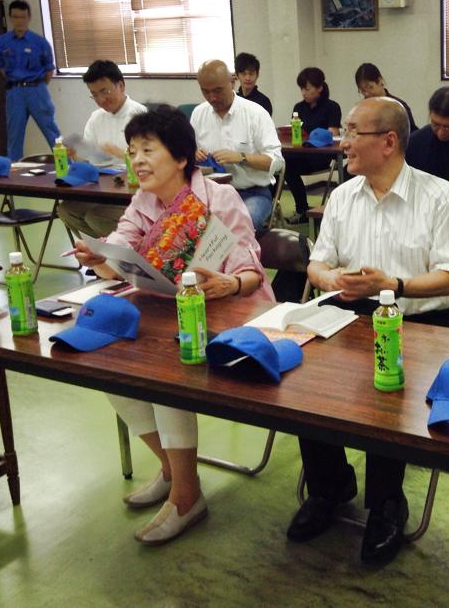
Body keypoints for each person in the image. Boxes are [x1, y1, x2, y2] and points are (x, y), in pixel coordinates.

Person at [287, 96, 449, 565]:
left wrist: (392, 285)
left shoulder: (438, 196)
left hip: (420, 317)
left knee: (388, 398)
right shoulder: (342, 196)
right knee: (305, 383)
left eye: (353, 132)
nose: (342, 141)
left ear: (388, 142)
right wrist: (330, 279)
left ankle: (386, 503)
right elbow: (318, 261)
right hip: (349, 309)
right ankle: (329, 488)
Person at [74, 105, 274, 546]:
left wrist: (230, 283)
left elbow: (251, 270)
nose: (138, 161)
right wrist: (101, 255)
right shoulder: (143, 201)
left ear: (181, 157)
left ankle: (186, 496)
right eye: (132, 151)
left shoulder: (217, 200)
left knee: (164, 371)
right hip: (169, 313)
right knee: (107, 367)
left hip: (234, 318)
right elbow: (122, 247)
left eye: (149, 150)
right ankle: (172, 471)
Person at [190, 59, 284, 233]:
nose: (212, 97)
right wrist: (194, 155)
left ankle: (240, 260)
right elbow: (186, 157)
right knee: (185, 228)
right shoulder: (198, 114)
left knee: (237, 227)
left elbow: (277, 162)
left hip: (253, 192)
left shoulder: (255, 114)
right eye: (206, 92)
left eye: (218, 90)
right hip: (210, 194)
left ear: (232, 82)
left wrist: (242, 157)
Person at [58, 60, 147, 238]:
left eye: (104, 91)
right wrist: (76, 154)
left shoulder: (140, 115)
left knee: (96, 217)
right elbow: (90, 161)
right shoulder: (96, 118)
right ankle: (104, 254)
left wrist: (121, 154)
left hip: (135, 192)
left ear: (121, 86)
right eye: (94, 95)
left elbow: (152, 162)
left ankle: (122, 255)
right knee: (66, 209)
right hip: (103, 189)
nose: (101, 100)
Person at [0, 0, 61, 160]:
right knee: (14, 135)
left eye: (23, 17)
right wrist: (18, 84)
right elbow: (1, 67)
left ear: (29, 17)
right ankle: (15, 171)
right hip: (15, 91)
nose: (19, 21)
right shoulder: (2, 41)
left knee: (52, 131)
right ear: (10, 18)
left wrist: (35, 86)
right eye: (16, 17)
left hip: (37, 90)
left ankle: (67, 166)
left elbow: (49, 71)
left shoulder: (40, 42)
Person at [284, 67, 343, 224]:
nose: (304, 92)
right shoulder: (299, 108)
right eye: (302, 88)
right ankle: (301, 209)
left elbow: (333, 134)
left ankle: (303, 209)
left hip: (321, 156)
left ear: (319, 88)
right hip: (301, 153)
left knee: (288, 167)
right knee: (281, 164)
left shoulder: (332, 107)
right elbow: (294, 133)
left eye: (307, 88)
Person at [354, 62, 418, 132]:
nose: (366, 94)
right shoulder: (362, 109)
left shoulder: (398, 107)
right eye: (362, 90)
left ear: (379, 81)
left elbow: (412, 135)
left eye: (370, 87)